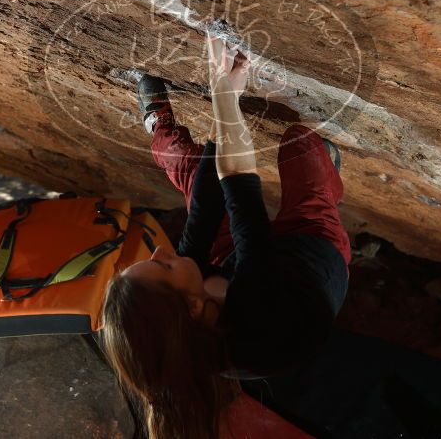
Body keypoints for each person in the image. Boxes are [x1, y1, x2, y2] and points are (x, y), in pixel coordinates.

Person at [101, 35, 351, 439]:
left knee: (189, 169)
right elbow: (239, 188)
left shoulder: (187, 319)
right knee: (302, 145)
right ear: (195, 307)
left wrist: (223, 114)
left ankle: (157, 122)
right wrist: (224, 93)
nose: (161, 250)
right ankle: (325, 177)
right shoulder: (257, 317)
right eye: (161, 267)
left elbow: (206, 206)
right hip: (310, 262)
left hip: (237, 263)